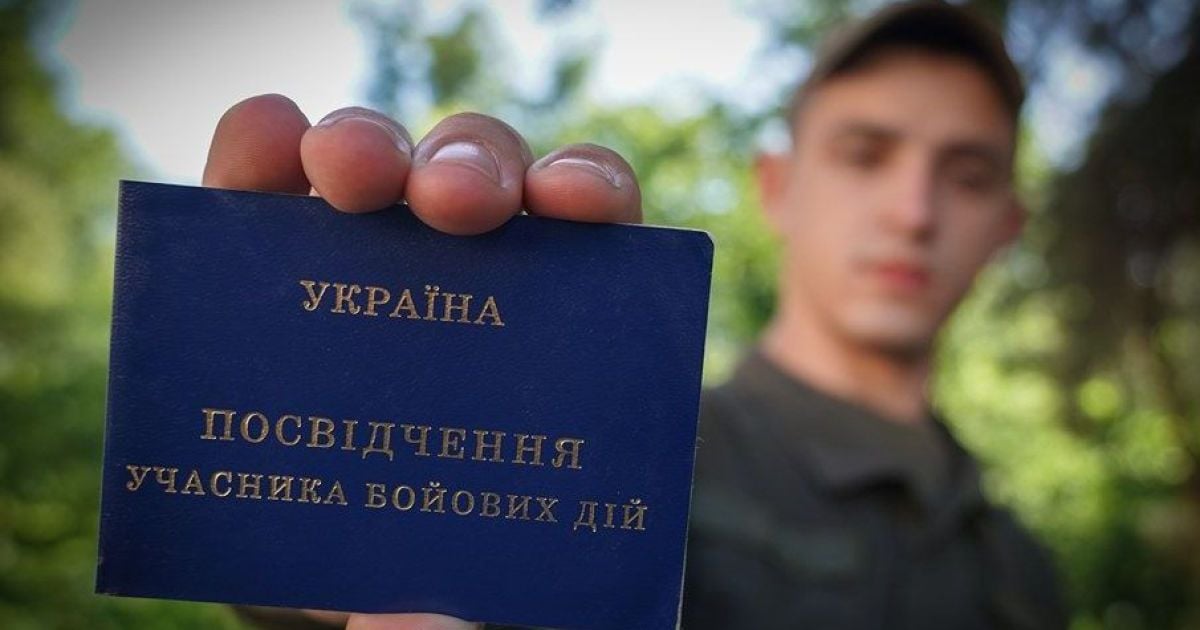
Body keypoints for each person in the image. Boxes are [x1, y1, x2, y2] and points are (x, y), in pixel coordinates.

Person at [210, 2, 1066, 629]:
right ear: (776, 187)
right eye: (865, 155)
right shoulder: (625, 459)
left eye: (967, 174)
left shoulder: (1026, 570)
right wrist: (328, 507)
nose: (914, 212)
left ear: (1008, 226)